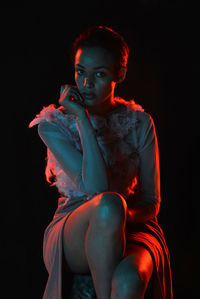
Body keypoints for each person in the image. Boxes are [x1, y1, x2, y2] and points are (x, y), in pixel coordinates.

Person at [29, 26, 173, 299]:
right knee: (108, 203)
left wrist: (119, 220)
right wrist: (82, 118)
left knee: (129, 278)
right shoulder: (52, 124)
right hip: (72, 229)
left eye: (99, 74)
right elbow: (95, 188)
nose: (86, 84)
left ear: (120, 74)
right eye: (80, 72)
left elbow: (152, 203)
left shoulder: (140, 122)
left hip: (133, 226)